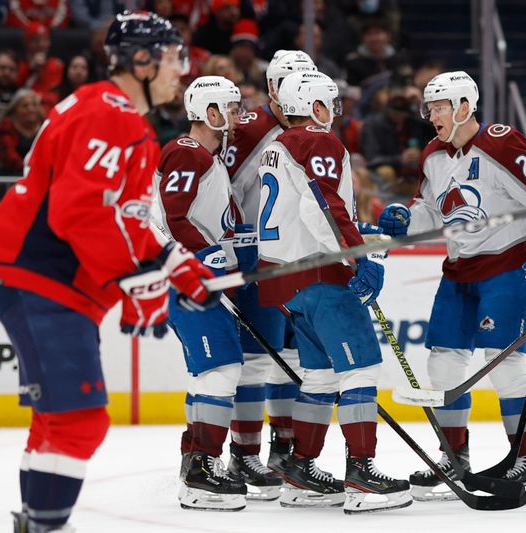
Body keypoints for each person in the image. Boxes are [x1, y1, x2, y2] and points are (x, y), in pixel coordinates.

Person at [0, 12, 217, 532]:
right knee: (80, 418)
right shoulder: (111, 115)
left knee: (59, 418)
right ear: (141, 61)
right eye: (174, 58)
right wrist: (136, 280)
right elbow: (78, 213)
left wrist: (175, 267)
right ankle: (47, 526)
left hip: (30, 275)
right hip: (38, 277)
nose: (182, 70)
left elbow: (123, 218)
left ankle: (38, 521)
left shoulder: (117, 115)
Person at [375, 71, 526, 503]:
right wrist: (405, 219)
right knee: (443, 362)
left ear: (462, 106)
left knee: (505, 362)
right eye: (430, 107)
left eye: (439, 107)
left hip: (510, 265)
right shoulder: (434, 155)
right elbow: (432, 213)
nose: (431, 115)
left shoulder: (502, 142)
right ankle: (454, 456)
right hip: (459, 270)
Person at [256, 70, 412, 514]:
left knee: (320, 376)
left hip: (285, 281)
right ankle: (362, 472)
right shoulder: (317, 141)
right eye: (331, 103)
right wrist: (360, 254)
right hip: (321, 276)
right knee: (361, 369)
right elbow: (322, 205)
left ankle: (299, 469)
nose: (334, 113)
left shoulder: (276, 146)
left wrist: (363, 234)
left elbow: (301, 210)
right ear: (318, 106)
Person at [152, 75, 280, 510]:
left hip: (201, 278)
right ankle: (201, 470)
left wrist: (240, 244)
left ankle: (196, 463)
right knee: (222, 370)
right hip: (187, 280)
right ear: (208, 113)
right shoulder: (187, 153)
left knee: (215, 371)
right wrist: (205, 254)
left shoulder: (208, 159)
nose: (236, 115)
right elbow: (173, 217)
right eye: (228, 107)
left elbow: (213, 221)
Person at [224, 50, 315, 481]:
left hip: (301, 257)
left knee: (296, 359)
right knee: (257, 360)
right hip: (255, 257)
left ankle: (285, 449)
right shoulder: (248, 129)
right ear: (273, 88)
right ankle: (243, 453)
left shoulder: (314, 129)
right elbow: (214, 185)